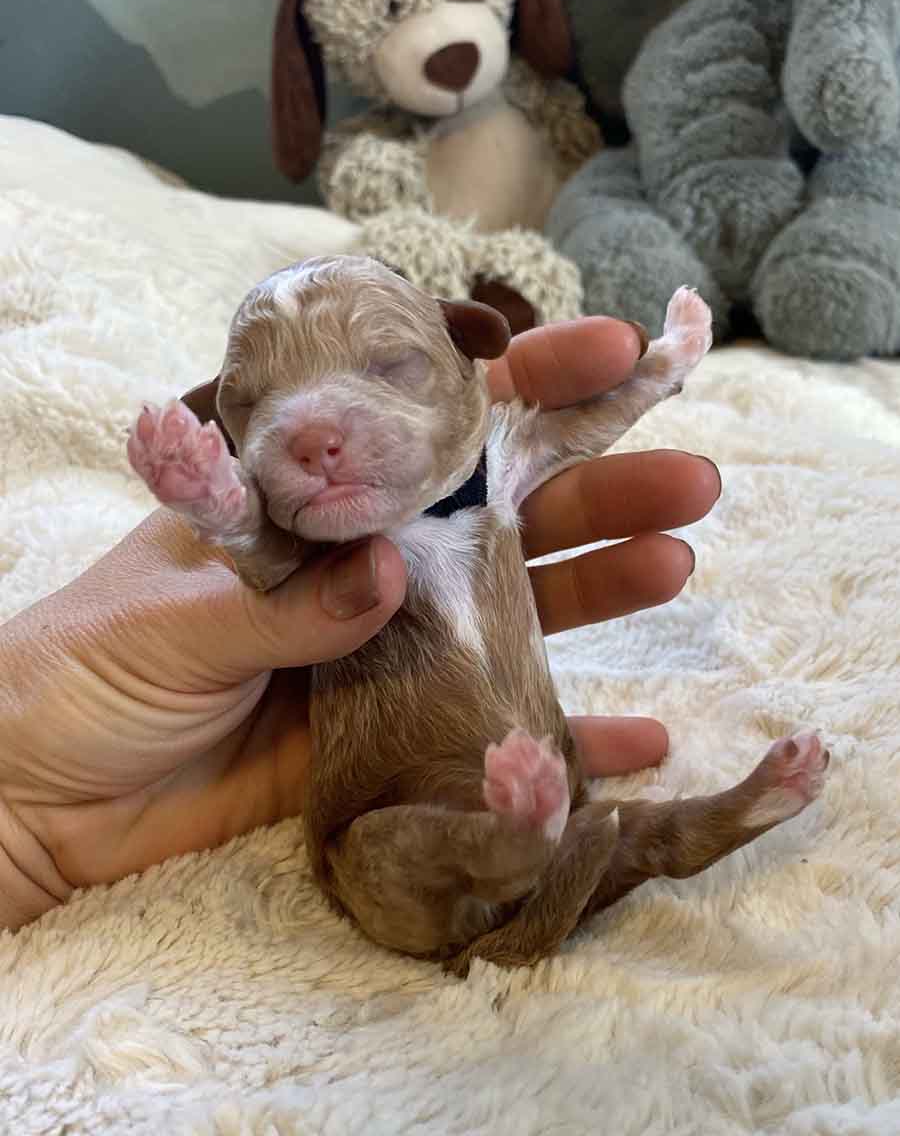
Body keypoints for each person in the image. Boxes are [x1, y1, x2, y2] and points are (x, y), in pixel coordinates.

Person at [0, 316, 720, 932]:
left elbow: (576, 427)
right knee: (436, 849)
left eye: (386, 366)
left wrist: (667, 361)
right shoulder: (321, 519)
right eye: (264, 402)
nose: (318, 432)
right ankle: (520, 841)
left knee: (615, 838)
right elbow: (262, 555)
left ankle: (719, 813)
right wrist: (220, 502)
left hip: (483, 764)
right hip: (382, 819)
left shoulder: (491, 451)